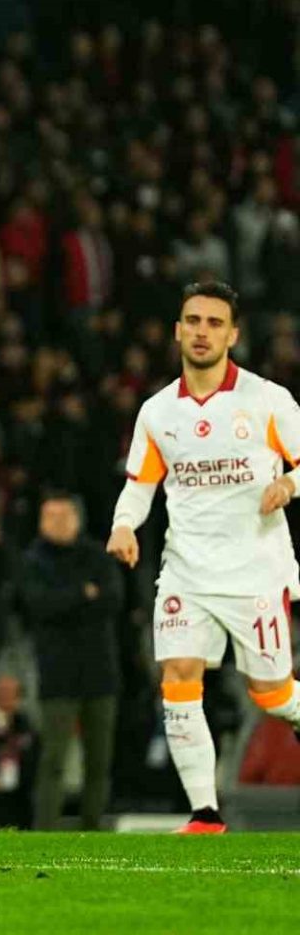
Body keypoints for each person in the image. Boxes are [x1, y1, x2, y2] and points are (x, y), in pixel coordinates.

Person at [108, 281, 300, 834]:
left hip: (255, 572)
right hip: (186, 572)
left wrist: (288, 484)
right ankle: (205, 815)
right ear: (177, 330)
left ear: (232, 335)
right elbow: (140, 483)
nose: (202, 332)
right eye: (193, 321)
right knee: (178, 678)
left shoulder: (266, 400)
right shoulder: (157, 412)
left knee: (272, 695)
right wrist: (124, 526)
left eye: (215, 323)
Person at [21, 491, 121, 830]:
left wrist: (64, 599)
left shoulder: (98, 555)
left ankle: (92, 831)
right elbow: (38, 604)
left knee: (99, 761)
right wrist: (82, 594)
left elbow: (113, 599)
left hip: (99, 672)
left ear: (78, 519)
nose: (57, 524)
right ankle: (45, 833)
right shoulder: (33, 560)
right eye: (50, 517)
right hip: (57, 675)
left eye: (63, 517)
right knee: (53, 760)